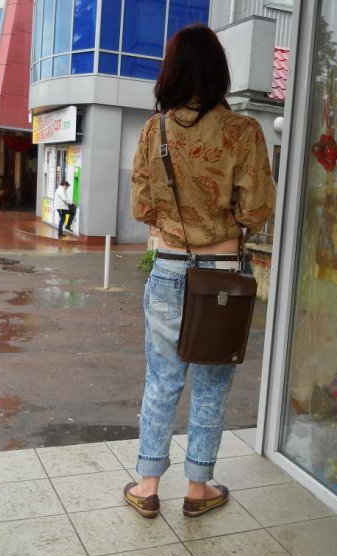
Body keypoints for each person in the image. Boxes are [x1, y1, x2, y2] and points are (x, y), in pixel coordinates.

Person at [126, 24, 276, 518]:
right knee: (212, 384)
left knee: (161, 380)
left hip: (169, 268)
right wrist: (224, 220)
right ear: (218, 70)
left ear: (170, 71)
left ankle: (147, 486)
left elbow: (141, 207)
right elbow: (258, 210)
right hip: (223, 276)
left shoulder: (154, 131)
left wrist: (175, 221)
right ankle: (197, 489)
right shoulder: (243, 132)